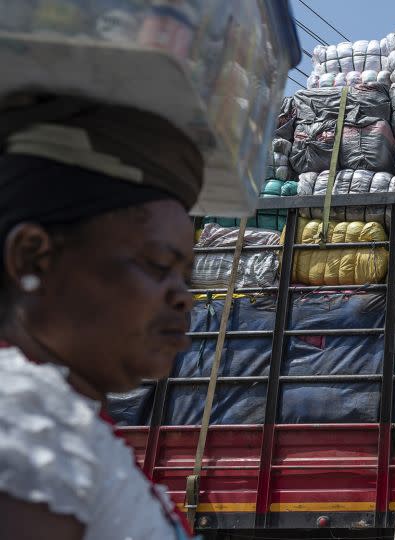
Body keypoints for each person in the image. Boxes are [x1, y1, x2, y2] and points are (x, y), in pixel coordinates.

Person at [0, 95, 203, 539]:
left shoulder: (64, 423)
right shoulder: (21, 425)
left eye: (186, 276)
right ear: (33, 258)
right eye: (157, 265)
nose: (183, 297)